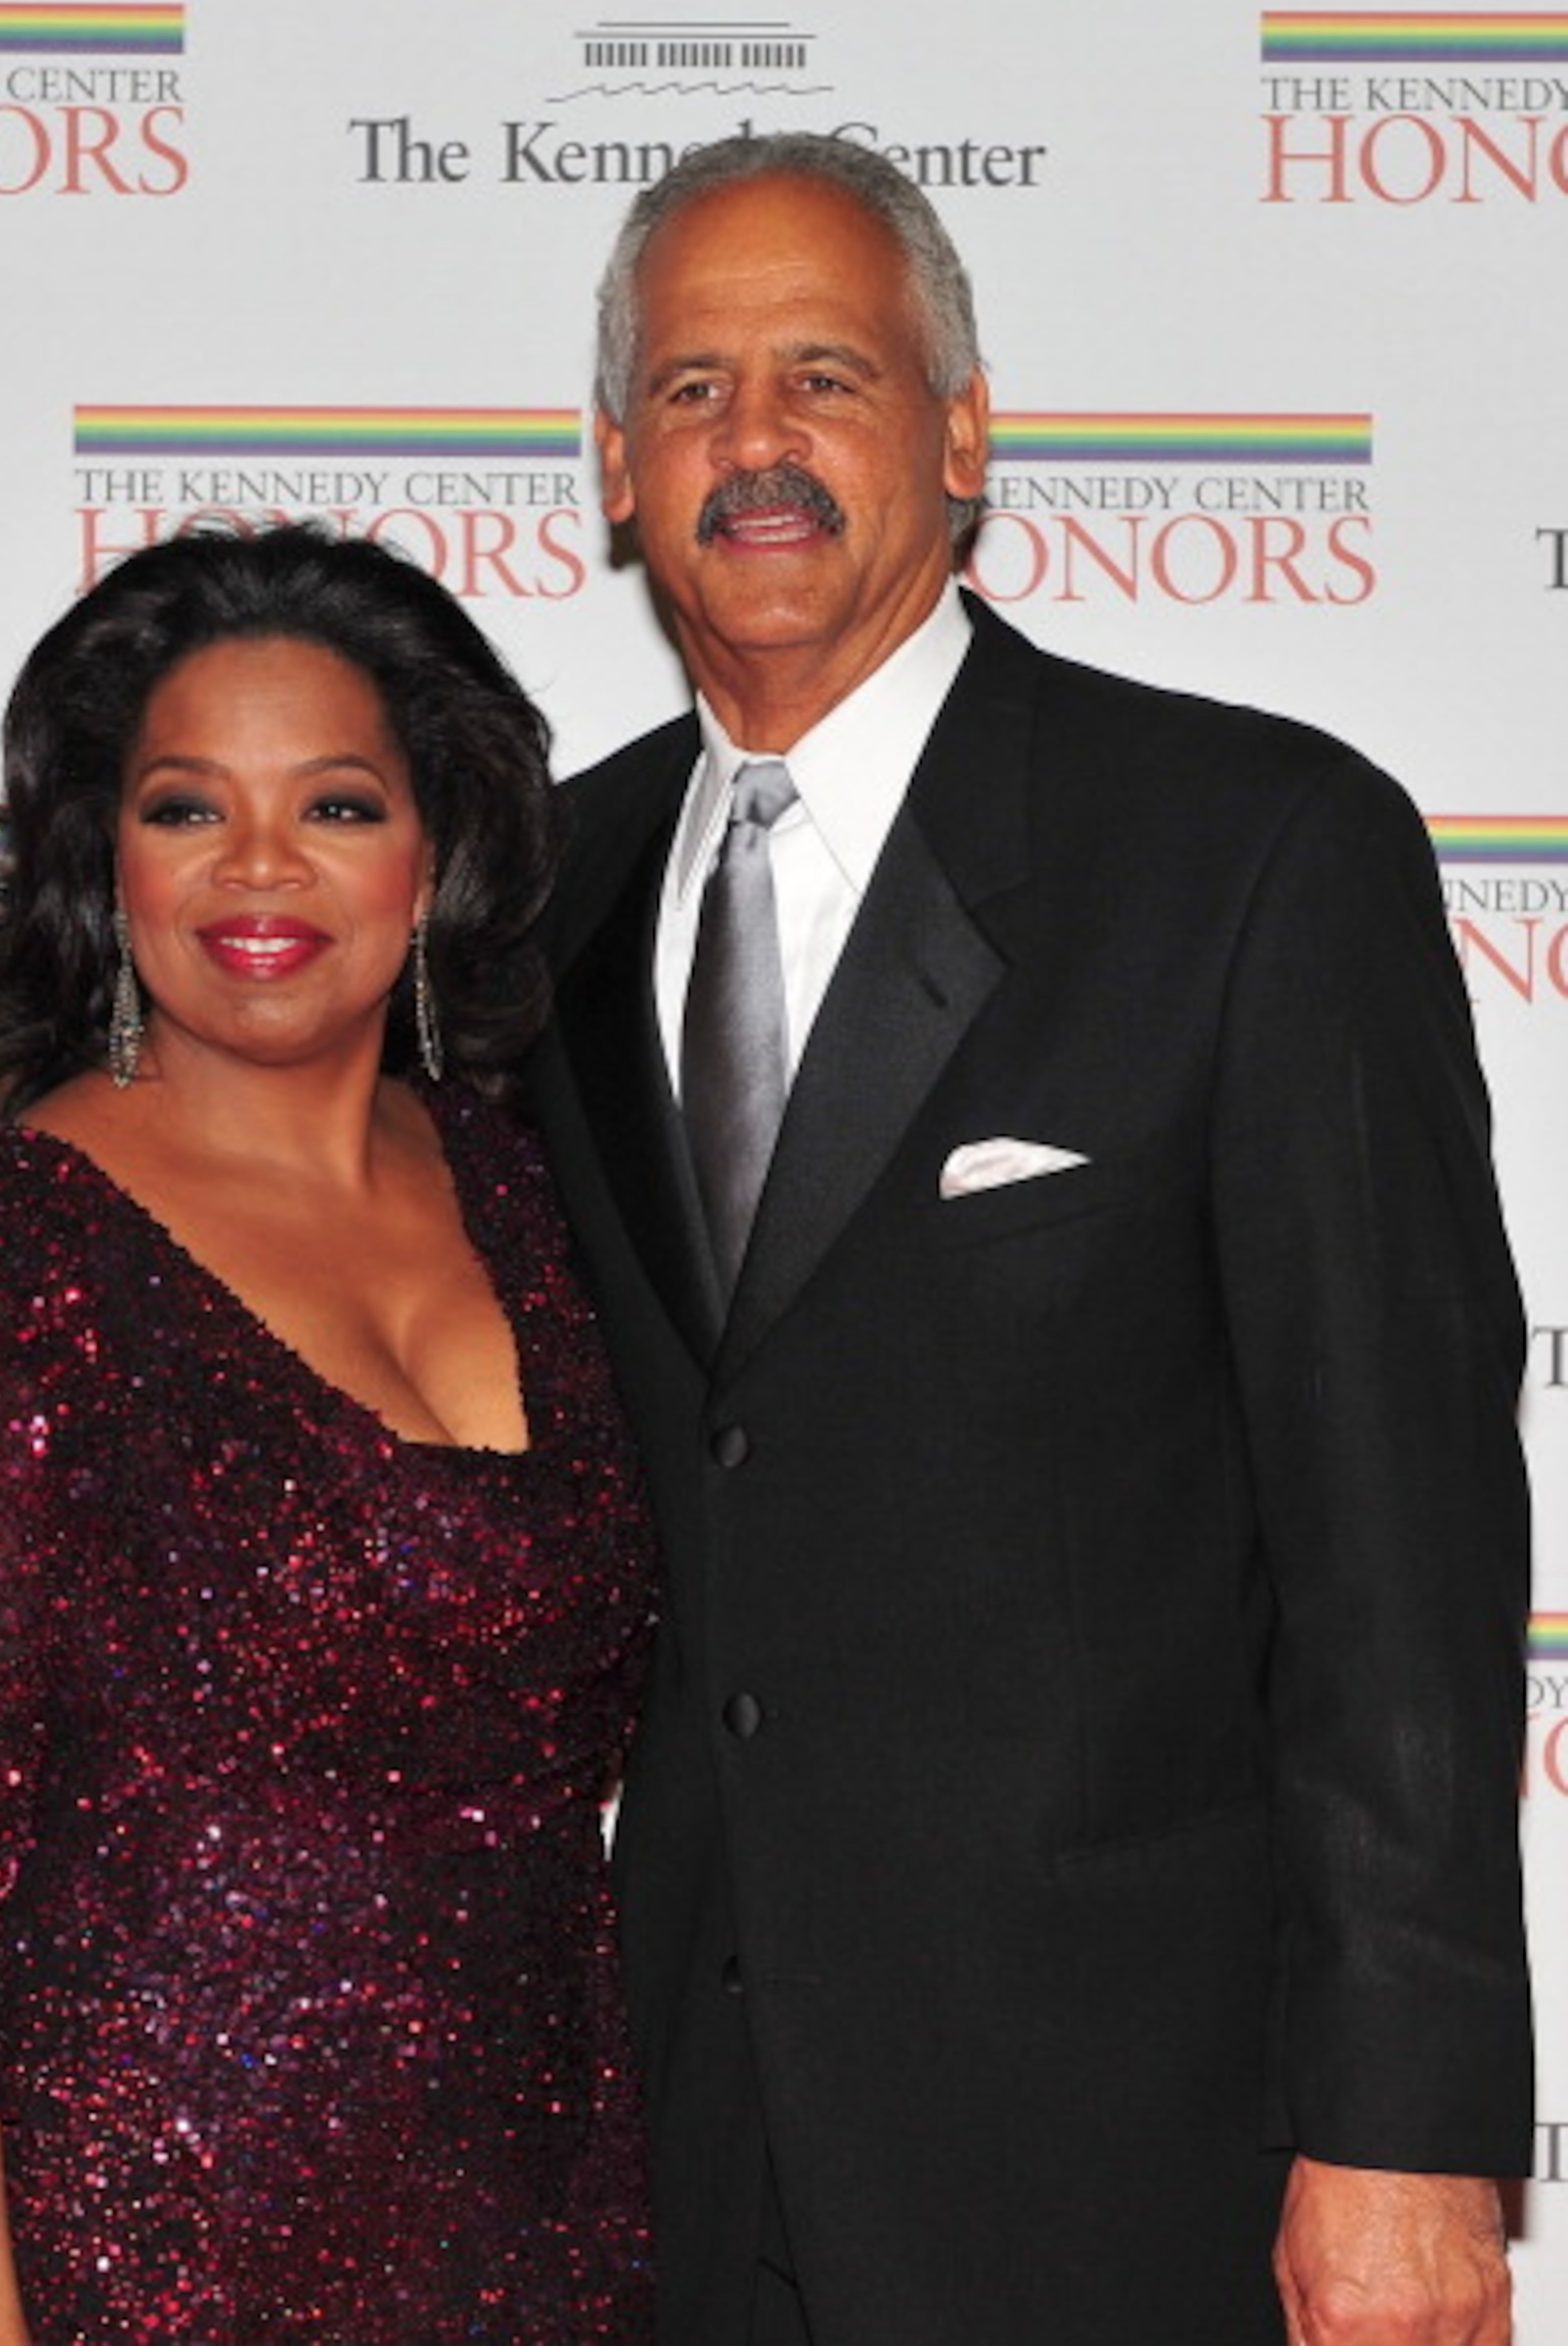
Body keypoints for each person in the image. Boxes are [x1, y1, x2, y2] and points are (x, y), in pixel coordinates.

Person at [526, 130, 1531, 2346]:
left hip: (1140, 2162)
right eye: (691, 388)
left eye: (826, 375)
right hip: (681, 2168)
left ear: (964, 430)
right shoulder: (539, 899)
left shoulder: (1250, 854)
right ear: (613, 463)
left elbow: (1400, 1549)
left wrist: (1406, 2126)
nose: (756, 442)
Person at [0, 525, 657, 2344]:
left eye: (337, 804)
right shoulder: (2, 1256)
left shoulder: (527, 1197)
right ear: (107, 861)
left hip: (559, 2242)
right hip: (157, 2262)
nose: (262, 864)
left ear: (435, 852)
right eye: (189, 807)